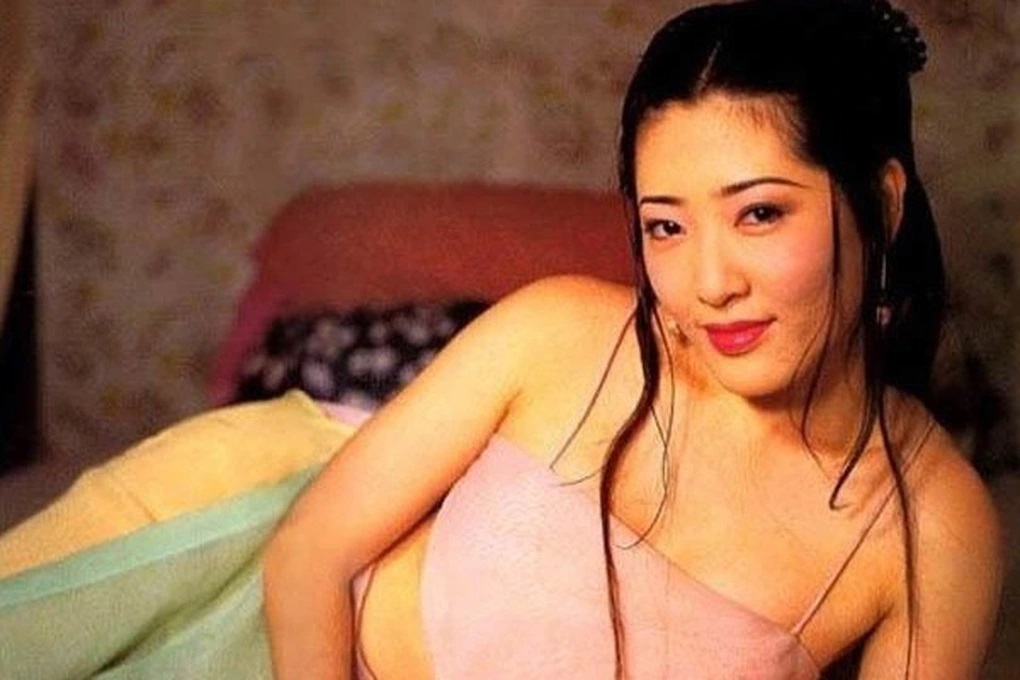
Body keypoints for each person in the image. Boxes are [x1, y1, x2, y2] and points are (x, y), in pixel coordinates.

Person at [263, 1, 1003, 678]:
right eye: (667, 226)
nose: (710, 284)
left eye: (759, 214)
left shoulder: (931, 525)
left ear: (881, 202)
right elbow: (310, 553)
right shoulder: (556, 332)